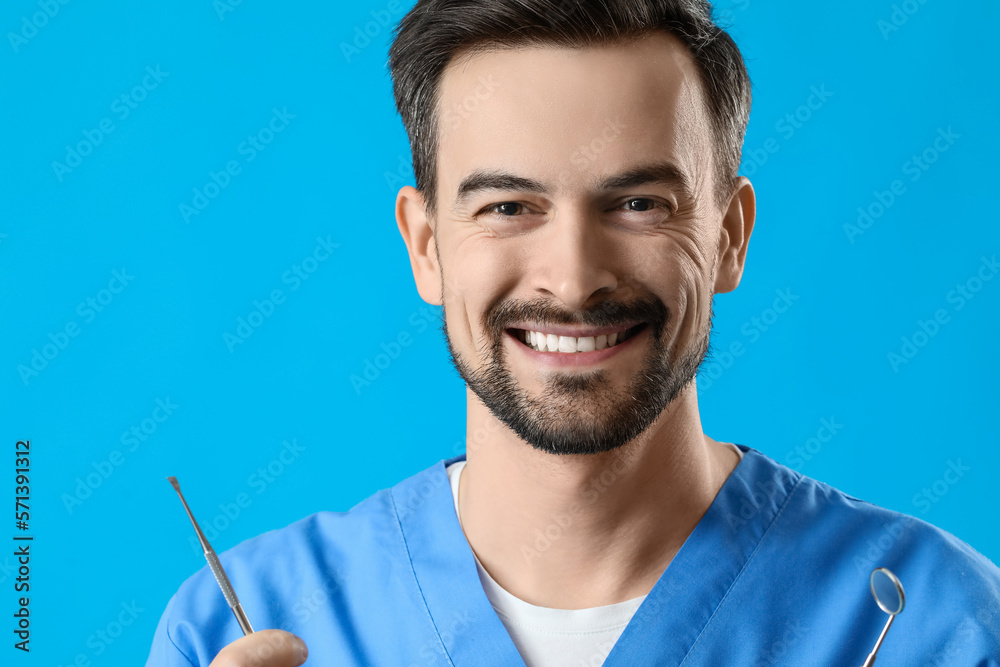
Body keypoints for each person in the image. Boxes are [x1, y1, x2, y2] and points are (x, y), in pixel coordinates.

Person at [146, 1, 1000, 665]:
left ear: (730, 237)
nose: (574, 276)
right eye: (508, 207)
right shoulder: (236, 623)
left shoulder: (939, 623)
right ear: (427, 246)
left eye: (637, 204)